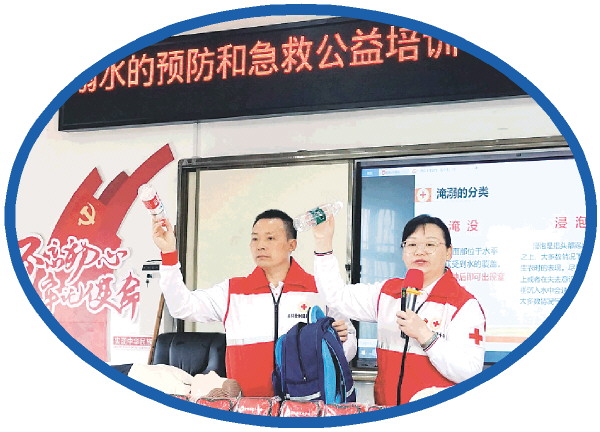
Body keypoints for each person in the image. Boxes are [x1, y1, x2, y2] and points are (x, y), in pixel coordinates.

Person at [151, 209, 357, 397]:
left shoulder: (321, 289)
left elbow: (349, 344)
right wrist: (168, 254)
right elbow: (181, 306)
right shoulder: (232, 291)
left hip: (305, 407)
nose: (260, 245)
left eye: (270, 238)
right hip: (246, 408)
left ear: (292, 245)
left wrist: (338, 343)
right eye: (255, 239)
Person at [311, 214, 486, 406]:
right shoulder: (387, 292)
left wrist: (426, 336)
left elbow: (469, 372)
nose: (420, 251)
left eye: (430, 244)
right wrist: (323, 242)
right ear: (403, 252)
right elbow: (336, 296)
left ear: (448, 252)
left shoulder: (464, 305)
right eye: (411, 244)